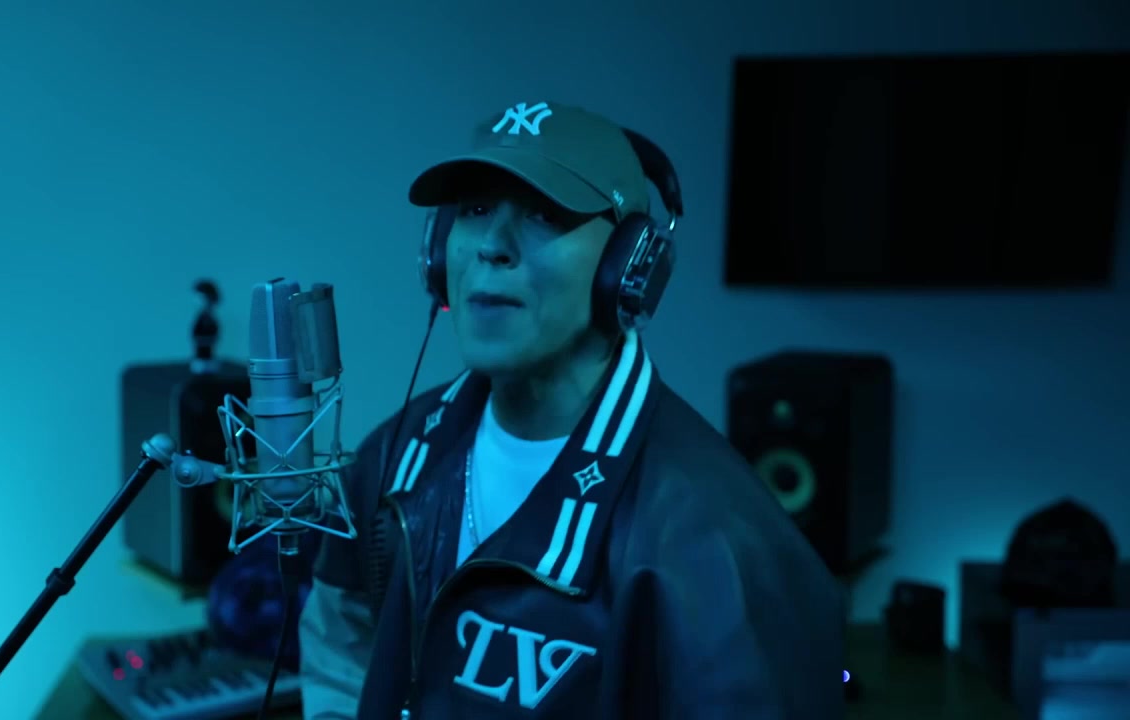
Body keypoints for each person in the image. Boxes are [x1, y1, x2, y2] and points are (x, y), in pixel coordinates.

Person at [296, 100, 844, 720]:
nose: (492, 246)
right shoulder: (393, 458)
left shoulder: (713, 539)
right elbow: (340, 650)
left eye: (542, 213)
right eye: (474, 210)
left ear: (629, 267)